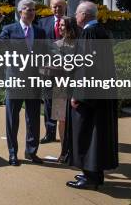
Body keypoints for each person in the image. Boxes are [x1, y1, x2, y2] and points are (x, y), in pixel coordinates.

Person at [64, 1, 118, 190]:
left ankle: (90, 177)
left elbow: (86, 68)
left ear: (84, 15)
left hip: (90, 96)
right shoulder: (102, 31)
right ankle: (95, 173)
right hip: (102, 93)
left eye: (77, 13)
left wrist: (77, 95)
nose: (75, 17)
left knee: (86, 133)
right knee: (97, 135)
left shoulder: (89, 33)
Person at [0, 0, 48, 166]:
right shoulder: (9, 30)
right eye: (27, 9)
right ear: (20, 11)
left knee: (33, 119)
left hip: (34, 81)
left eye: (33, 10)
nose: (31, 12)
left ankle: (31, 152)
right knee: (12, 118)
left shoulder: (40, 31)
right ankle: (13, 153)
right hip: (15, 81)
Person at [36, 0, 67, 144]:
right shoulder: (42, 23)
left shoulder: (70, 22)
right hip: (48, 70)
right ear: (50, 7)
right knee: (48, 101)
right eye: (54, 6)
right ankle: (50, 132)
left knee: (60, 101)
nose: (57, 9)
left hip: (64, 71)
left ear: (65, 6)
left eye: (60, 6)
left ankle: (64, 134)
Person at [50, 16, 79, 162]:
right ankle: (63, 151)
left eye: (63, 25)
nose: (60, 27)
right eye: (59, 25)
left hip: (76, 86)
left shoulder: (80, 45)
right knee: (62, 120)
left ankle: (76, 152)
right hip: (60, 86)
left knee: (76, 119)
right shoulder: (56, 44)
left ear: (70, 27)